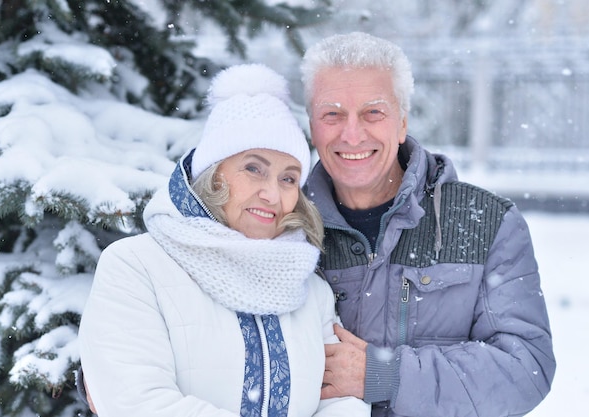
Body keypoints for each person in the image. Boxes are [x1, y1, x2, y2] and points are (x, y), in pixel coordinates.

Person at [77, 63, 370, 417]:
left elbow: (341, 399)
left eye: (288, 179)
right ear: (212, 174)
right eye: (253, 168)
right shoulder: (136, 266)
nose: (272, 195)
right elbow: (137, 402)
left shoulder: (309, 287)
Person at [300, 32, 556, 417]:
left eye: (373, 112)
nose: (352, 134)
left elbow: (525, 367)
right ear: (313, 127)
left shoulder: (488, 223)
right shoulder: (285, 227)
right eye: (332, 114)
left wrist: (385, 375)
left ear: (401, 123)